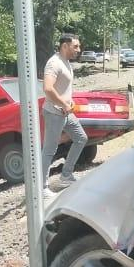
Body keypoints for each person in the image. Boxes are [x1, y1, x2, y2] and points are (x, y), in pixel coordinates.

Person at [41, 33, 88, 193]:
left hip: (66, 112)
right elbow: (48, 88)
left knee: (81, 138)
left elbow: (62, 87)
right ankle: (42, 188)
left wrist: (70, 101)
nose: (78, 50)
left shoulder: (66, 62)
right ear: (65, 46)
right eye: (75, 46)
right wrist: (63, 103)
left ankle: (66, 176)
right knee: (49, 150)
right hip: (54, 113)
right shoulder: (54, 63)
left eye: (78, 46)